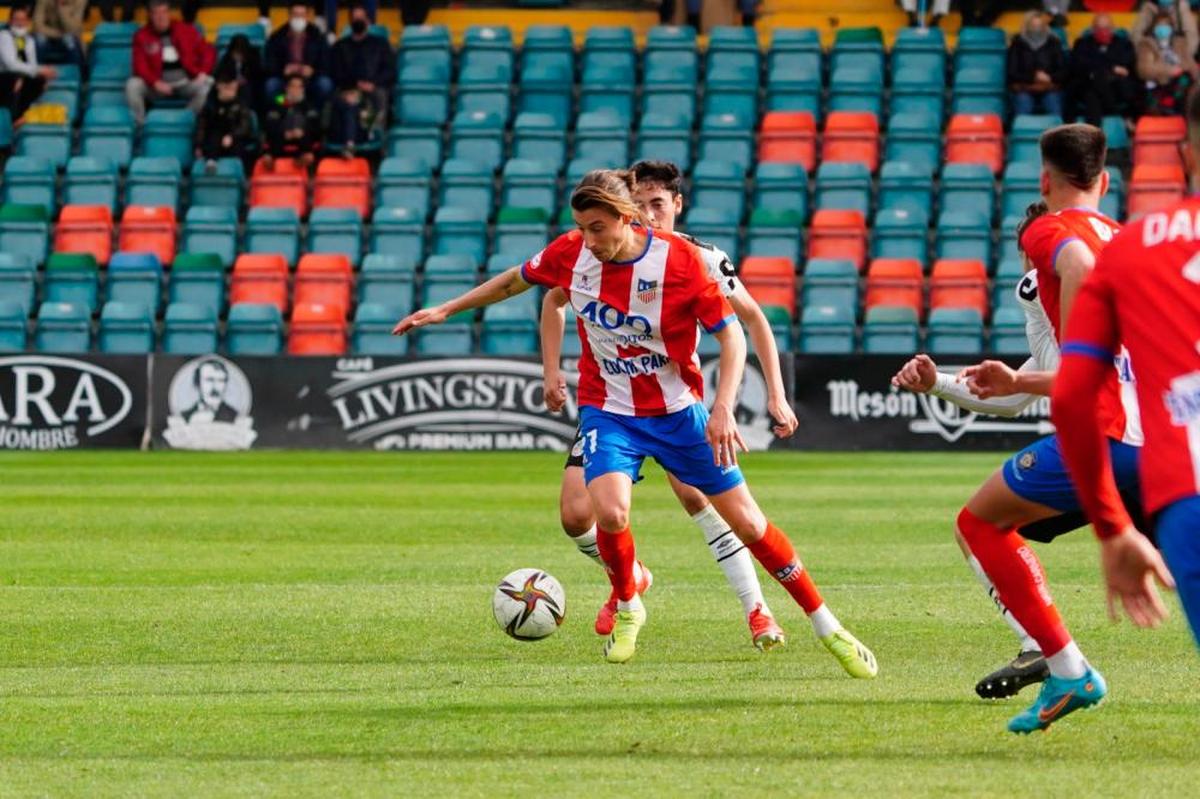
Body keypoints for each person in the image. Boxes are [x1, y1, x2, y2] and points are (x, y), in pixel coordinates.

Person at [393, 169, 879, 677]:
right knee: (609, 512)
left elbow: (732, 336)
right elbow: (517, 281)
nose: (588, 239)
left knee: (750, 524)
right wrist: (447, 309)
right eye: (582, 227)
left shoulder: (682, 262)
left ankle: (828, 626)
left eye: (598, 228)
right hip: (610, 410)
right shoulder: (572, 254)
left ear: (626, 219)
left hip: (678, 412)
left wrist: (722, 408)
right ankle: (629, 604)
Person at [892, 200, 1147, 701]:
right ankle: (1042, 649)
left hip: (1107, 439)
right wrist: (939, 383)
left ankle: (1055, 656)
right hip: (1160, 443)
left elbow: (1066, 374)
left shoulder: (1039, 285)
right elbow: (1023, 389)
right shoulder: (1121, 285)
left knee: (980, 524)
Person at [540, 160, 799, 649]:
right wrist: (551, 369)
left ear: (677, 205)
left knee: (699, 499)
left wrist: (777, 394)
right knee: (576, 516)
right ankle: (631, 575)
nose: (648, 214)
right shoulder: (600, 254)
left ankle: (758, 611)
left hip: (673, 402)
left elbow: (753, 322)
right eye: (638, 205)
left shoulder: (699, 259)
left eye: (657, 204)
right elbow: (553, 299)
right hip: (613, 402)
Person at [938, 125, 1144, 735]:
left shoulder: (1048, 228)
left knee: (979, 523)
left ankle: (1066, 665)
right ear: (1105, 181)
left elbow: (1076, 271)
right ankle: (1060, 664)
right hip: (1158, 433)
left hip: (1104, 433)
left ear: (1044, 179)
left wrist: (1055, 368)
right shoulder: (1128, 239)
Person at [1051, 90, 1200, 652]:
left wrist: (1113, 528)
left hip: (1188, 494)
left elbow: (1071, 398)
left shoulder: (1129, 249)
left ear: (1185, 154)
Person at [126, 0, 215, 125]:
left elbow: (208, 51)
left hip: (185, 82)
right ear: (150, 16)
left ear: (169, 13)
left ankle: (185, 120)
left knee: (209, 83)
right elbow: (139, 66)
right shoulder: (141, 36)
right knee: (132, 85)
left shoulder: (186, 30)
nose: (161, 17)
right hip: (157, 86)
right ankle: (141, 125)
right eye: (157, 14)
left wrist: (203, 72)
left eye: (164, 12)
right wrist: (155, 82)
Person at [1068, 13, 1140, 127]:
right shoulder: (1082, 43)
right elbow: (1079, 65)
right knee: (1091, 91)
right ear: (1093, 29)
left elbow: (1127, 63)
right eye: (1099, 28)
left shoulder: (1124, 44)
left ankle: (1093, 138)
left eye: (1107, 28)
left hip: (1116, 88)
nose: (1103, 32)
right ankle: (1120, 117)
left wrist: (1097, 68)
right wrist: (1111, 68)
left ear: (1113, 28)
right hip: (1088, 85)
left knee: (1094, 92)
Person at [329, 2, 394, 125]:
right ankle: (347, 138)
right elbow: (336, 72)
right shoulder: (340, 46)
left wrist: (374, 83)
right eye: (355, 18)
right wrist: (355, 84)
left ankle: (375, 134)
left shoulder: (380, 44)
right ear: (350, 21)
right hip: (348, 86)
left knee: (380, 95)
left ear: (368, 20)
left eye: (361, 18)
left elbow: (389, 70)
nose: (358, 21)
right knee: (338, 97)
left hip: (374, 86)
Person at [265, 3, 332, 108]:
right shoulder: (277, 36)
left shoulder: (318, 36)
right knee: (271, 86)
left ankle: (312, 111)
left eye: (302, 15)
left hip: (310, 79)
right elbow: (269, 63)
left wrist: (312, 70)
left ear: (307, 16)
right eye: (295, 15)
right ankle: (287, 106)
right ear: (289, 16)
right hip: (285, 79)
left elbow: (326, 62)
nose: (298, 18)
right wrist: (283, 70)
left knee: (324, 85)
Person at [1136, 9, 1199, 116]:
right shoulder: (1146, 44)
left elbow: (1190, 64)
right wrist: (1169, 71)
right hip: (1158, 85)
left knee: (1186, 78)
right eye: (1159, 25)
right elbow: (1144, 70)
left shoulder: (1180, 43)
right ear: (1153, 27)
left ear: (1171, 28)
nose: (1163, 28)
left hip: (1179, 85)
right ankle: (1167, 107)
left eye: (1166, 25)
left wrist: (1183, 69)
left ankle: (1171, 107)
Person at [195, 66, 258, 172]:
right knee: (214, 135)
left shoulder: (240, 104)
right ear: (219, 86)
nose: (232, 91)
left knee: (239, 146)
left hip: (236, 139)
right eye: (229, 88)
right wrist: (198, 145)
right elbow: (202, 126)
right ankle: (211, 163)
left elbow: (245, 126)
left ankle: (237, 174)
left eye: (234, 88)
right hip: (214, 141)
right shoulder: (210, 106)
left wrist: (232, 136)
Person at [1007, 11, 1068, 117]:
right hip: (1025, 87)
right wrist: (1034, 77)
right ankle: (1023, 132)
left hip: (1049, 87)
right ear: (1027, 26)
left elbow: (1063, 71)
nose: (1037, 28)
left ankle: (1058, 132)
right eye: (1033, 25)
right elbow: (1012, 73)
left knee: (1053, 102)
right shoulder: (1017, 44)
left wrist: (1049, 77)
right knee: (1023, 102)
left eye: (1040, 25)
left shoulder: (1054, 43)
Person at [0, 4, 55, 120]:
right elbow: (10, 64)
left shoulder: (29, 40)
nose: (20, 23)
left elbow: (32, 64)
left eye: (23, 20)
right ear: (10, 21)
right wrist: (38, 70)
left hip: (20, 76)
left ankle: (20, 116)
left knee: (39, 80)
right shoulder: (4, 36)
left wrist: (42, 73)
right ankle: (12, 118)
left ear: (27, 22)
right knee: (13, 80)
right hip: (4, 76)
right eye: (16, 20)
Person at [262, 73, 321, 170]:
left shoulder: (308, 105)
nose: (295, 90)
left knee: (305, 126)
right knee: (274, 131)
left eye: (299, 87)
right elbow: (269, 125)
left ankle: (300, 163)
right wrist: (285, 133)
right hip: (280, 139)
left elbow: (316, 127)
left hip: (302, 141)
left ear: (303, 89)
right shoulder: (277, 101)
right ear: (286, 88)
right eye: (293, 86)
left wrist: (301, 132)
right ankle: (272, 161)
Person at [324, 79, 378, 158]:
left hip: (359, 136)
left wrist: (364, 117)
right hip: (338, 136)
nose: (353, 97)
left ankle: (349, 145)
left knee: (361, 112)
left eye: (354, 94)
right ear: (342, 95)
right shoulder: (336, 104)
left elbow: (370, 127)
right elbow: (326, 124)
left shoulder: (364, 104)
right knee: (349, 111)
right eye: (349, 94)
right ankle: (349, 144)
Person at [215, 33, 267, 113]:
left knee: (247, 90)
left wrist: (245, 79)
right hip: (230, 84)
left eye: (240, 53)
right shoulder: (227, 58)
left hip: (250, 85)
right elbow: (220, 74)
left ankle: (246, 113)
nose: (238, 55)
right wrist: (230, 82)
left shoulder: (254, 56)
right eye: (235, 52)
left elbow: (258, 74)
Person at [1131, 0, 1199, 56]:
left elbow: (1192, 35)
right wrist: (1144, 53)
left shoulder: (1180, 6)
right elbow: (1136, 33)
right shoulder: (1148, 6)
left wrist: (1184, 56)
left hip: (1178, 54)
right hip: (1153, 53)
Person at [33, 0, 85, 70]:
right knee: (39, 39)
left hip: (70, 36)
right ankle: (39, 73)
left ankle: (74, 74)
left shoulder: (80, 1)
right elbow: (37, 26)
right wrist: (60, 34)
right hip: (48, 35)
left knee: (70, 40)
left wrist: (62, 8)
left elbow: (73, 29)